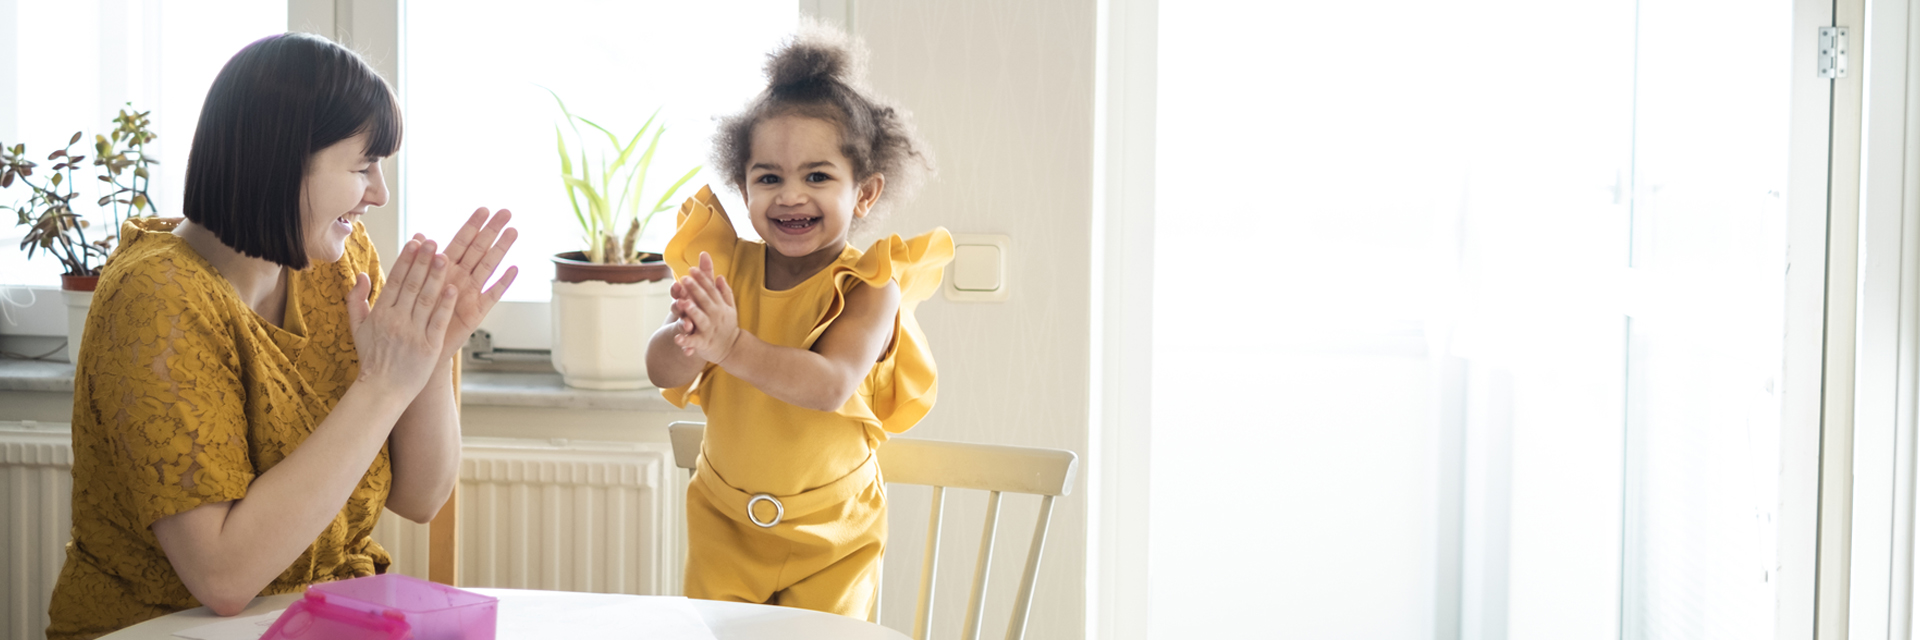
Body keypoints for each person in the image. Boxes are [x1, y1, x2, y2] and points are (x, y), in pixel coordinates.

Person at [46, 32, 518, 640]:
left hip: (327, 619)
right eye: (362, 166)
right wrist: (381, 385)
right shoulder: (157, 298)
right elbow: (222, 578)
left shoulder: (338, 264)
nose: (380, 193)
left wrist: (430, 353)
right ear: (281, 161)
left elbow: (421, 497)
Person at [645, 23, 953, 619]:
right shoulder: (724, 268)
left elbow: (829, 383)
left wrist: (730, 344)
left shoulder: (869, 285)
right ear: (743, 185)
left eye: (817, 176)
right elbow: (660, 367)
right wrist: (692, 339)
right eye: (769, 178)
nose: (790, 195)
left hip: (832, 534)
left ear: (864, 193)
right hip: (725, 522)